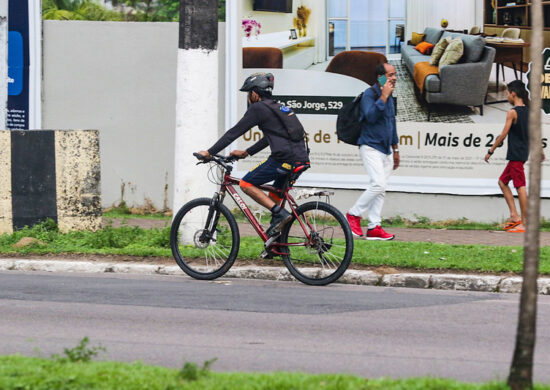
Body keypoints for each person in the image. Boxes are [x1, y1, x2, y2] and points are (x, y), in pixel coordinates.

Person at [198, 72, 310, 237]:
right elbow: (269, 138)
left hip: (283, 159)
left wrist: (209, 152)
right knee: (275, 193)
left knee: (246, 183)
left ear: (255, 94)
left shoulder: (259, 108)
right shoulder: (277, 106)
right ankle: (277, 239)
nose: (248, 98)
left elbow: (233, 133)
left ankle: (280, 214)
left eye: (248, 94)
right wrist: (246, 152)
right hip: (300, 159)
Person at [345, 62, 400, 240]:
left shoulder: (390, 96)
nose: (394, 78)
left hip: (387, 149)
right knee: (377, 184)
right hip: (370, 146)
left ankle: (374, 226)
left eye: (395, 74)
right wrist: (383, 97)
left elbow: (391, 123)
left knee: (381, 188)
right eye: (390, 75)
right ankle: (353, 214)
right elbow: (370, 116)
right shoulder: (370, 94)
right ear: (380, 77)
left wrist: (396, 148)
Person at [484, 80, 542, 233]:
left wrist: (491, 150)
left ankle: (525, 222)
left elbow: (503, 135)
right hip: (521, 155)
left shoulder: (513, 112)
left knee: (520, 187)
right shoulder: (530, 111)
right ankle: (514, 216)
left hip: (516, 155)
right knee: (502, 182)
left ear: (513, 94)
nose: (507, 96)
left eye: (507, 93)